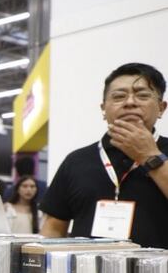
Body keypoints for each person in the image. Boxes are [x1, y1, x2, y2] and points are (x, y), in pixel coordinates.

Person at [42, 63, 168, 248]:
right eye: (119, 96)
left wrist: (150, 156)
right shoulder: (76, 161)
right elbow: (53, 228)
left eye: (142, 95)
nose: (130, 102)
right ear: (103, 108)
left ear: (161, 108)